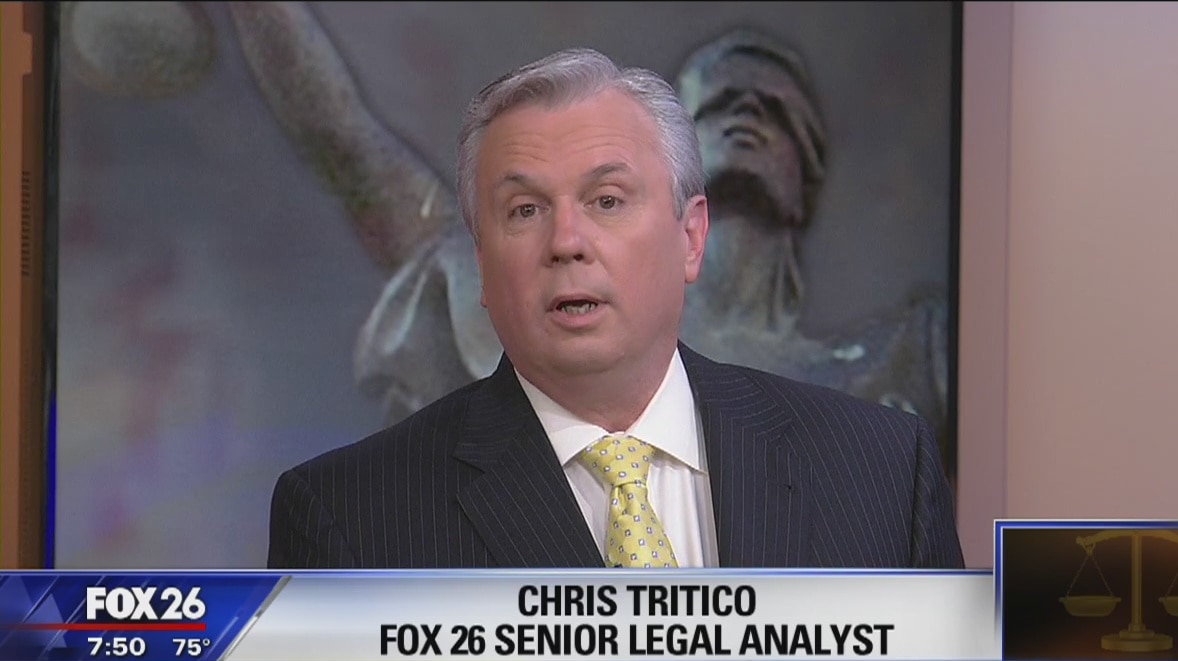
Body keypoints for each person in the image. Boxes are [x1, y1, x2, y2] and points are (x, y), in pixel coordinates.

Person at [267, 47, 963, 570]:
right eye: (524, 209)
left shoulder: (883, 474)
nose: (566, 242)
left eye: (607, 200)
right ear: (481, 262)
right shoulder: (347, 519)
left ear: (690, 237)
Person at [222, 4, 951, 469]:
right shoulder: (505, 286)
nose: (748, 116)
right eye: (723, 102)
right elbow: (349, 146)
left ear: (807, 171)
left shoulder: (901, 367)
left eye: (773, 110)